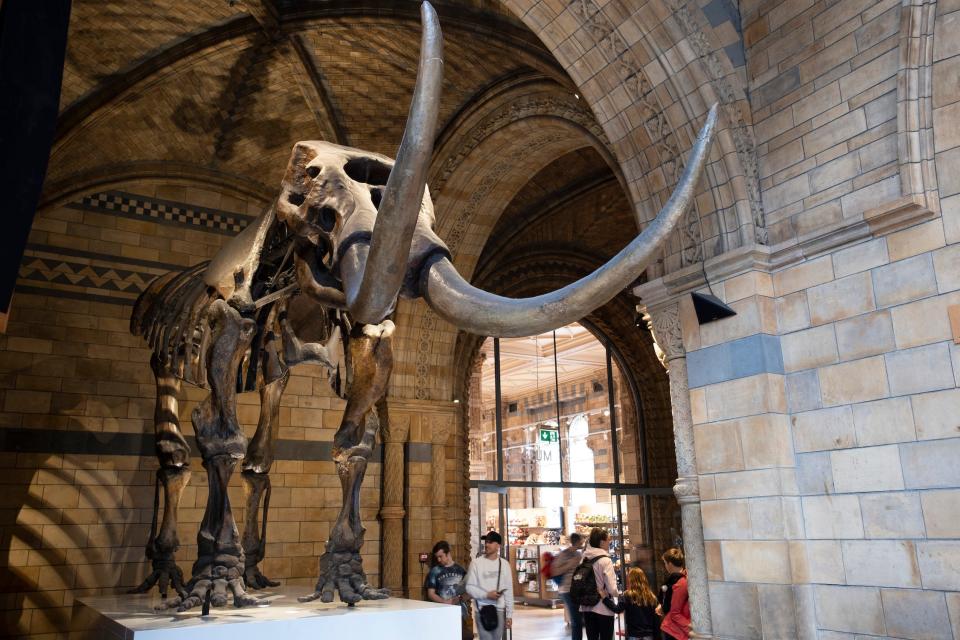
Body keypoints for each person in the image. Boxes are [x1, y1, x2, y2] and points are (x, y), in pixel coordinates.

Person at [465, 531, 513, 640]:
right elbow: (469, 587)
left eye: (490, 542)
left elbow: (509, 590)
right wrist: (486, 595)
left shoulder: (505, 565)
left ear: (498, 545)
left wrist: (509, 615)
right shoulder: (476, 563)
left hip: (499, 610)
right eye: (486, 542)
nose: (487, 544)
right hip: (482, 610)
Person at [426, 540, 472, 640]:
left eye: (440, 556)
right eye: (437, 557)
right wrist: (444, 601)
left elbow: (470, 591)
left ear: (448, 554)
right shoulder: (434, 572)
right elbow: (430, 593)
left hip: (459, 614)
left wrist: (460, 598)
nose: (438, 560)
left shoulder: (460, 570)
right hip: (441, 614)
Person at [579, 528, 619, 640]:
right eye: (608, 540)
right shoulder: (605, 560)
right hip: (603, 607)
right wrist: (618, 594)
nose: (610, 542)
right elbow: (612, 589)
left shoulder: (584, 558)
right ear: (601, 542)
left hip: (586, 606)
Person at [602, 566, 661, 640]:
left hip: (634, 634)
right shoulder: (651, 596)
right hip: (649, 634)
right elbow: (656, 620)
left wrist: (604, 598)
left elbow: (617, 609)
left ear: (630, 580)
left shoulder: (627, 595)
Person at [552, 532, 585, 639]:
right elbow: (554, 571)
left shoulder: (578, 554)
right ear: (577, 541)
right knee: (576, 620)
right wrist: (570, 564)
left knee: (578, 619)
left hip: (576, 589)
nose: (583, 542)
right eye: (582, 540)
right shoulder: (564, 554)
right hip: (566, 590)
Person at [656, 548, 690, 640]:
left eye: (665, 563)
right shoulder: (685, 576)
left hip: (676, 630)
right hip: (676, 628)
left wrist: (691, 630)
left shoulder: (681, 582)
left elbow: (675, 613)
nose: (665, 566)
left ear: (670, 564)